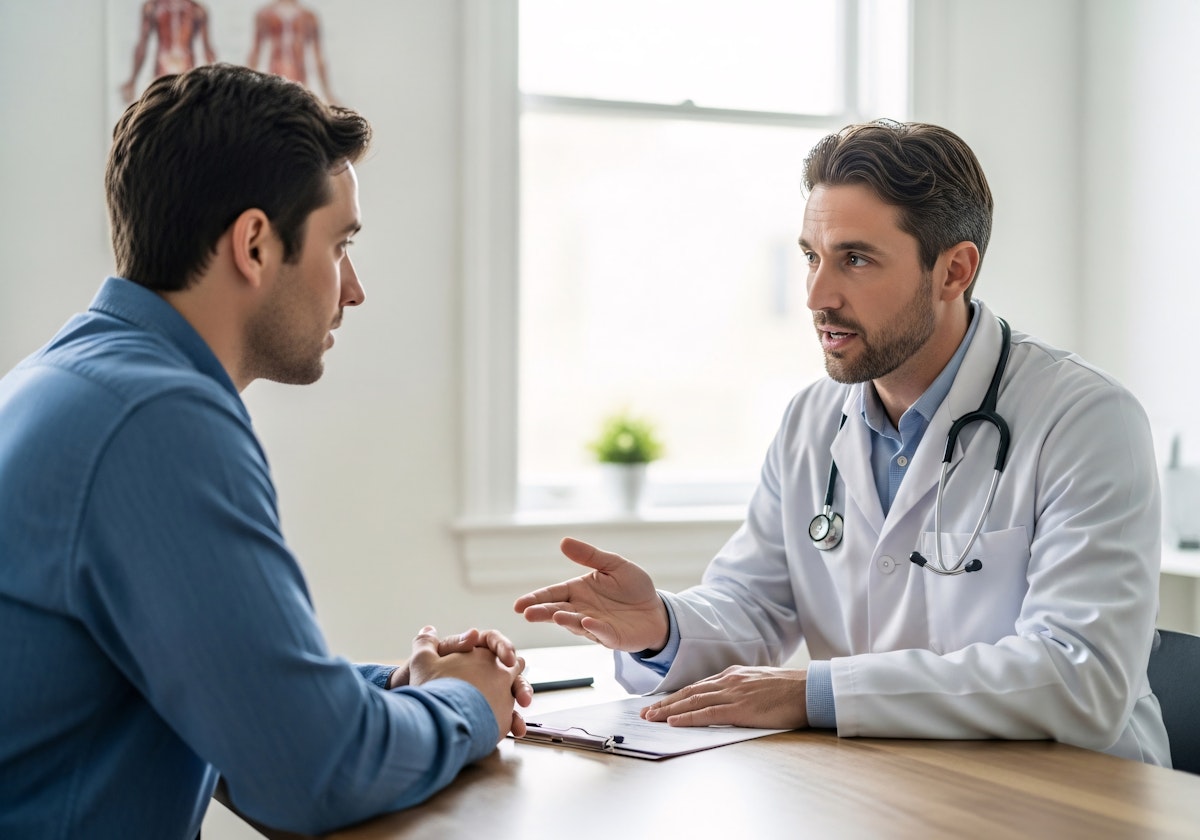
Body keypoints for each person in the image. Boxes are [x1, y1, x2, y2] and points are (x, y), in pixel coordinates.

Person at [515, 119, 1172, 766]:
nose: (816, 295)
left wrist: (815, 691)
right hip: (898, 781)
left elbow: (1081, 676)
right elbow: (757, 604)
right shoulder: (811, 418)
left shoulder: (1085, 420)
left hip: (1079, 798)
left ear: (954, 271)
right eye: (811, 256)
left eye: (854, 260)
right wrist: (660, 625)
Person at [0, 63, 531, 839]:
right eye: (339, 245)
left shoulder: (70, 377)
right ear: (254, 243)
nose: (352, 290)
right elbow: (309, 773)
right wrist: (466, 705)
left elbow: (221, 686)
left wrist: (393, 685)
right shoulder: (157, 419)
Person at [120, 0, 217, 103]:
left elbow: (207, 51)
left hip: (185, 76)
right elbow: (142, 46)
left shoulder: (197, 10)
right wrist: (132, 80)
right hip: (164, 75)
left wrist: (214, 82)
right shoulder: (153, 7)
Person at [246, 0, 339, 105]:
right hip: (276, 78)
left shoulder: (309, 16)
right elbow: (255, 55)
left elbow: (318, 58)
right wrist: (247, 89)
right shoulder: (265, 14)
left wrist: (328, 93)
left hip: (299, 81)